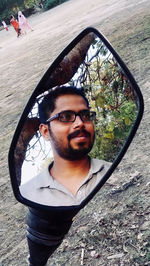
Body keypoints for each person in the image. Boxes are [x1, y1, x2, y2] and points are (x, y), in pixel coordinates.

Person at [20, 86, 111, 266]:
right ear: (45, 131)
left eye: (85, 115)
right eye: (66, 117)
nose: (80, 123)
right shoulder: (28, 191)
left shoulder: (111, 171)